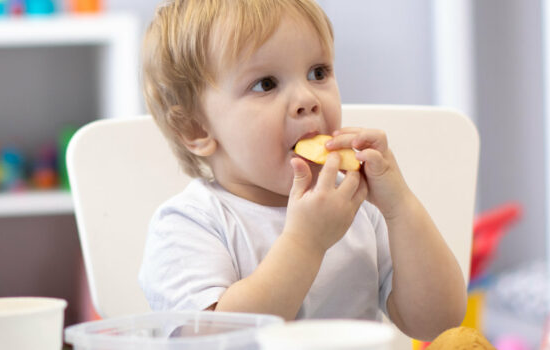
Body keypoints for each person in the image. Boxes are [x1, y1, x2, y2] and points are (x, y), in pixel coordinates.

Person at [137, 0, 466, 341]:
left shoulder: (356, 203)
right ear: (196, 129)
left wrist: (400, 207)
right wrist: (305, 243)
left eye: (318, 73)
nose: (307, 98)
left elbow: (438, 323)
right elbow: (216, 342)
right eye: (265, 84)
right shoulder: (187, 225)